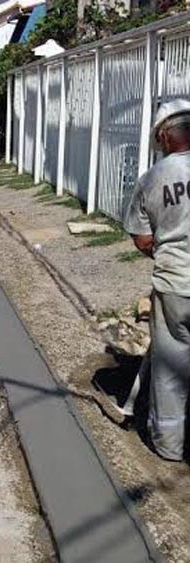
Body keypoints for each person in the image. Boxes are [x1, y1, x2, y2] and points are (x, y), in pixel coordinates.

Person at [124, 98, 190, 462]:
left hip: (175, 286)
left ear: (165, 136)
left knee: (171, 366)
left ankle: (169, 446)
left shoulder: (153, 179)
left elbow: (142, 238)